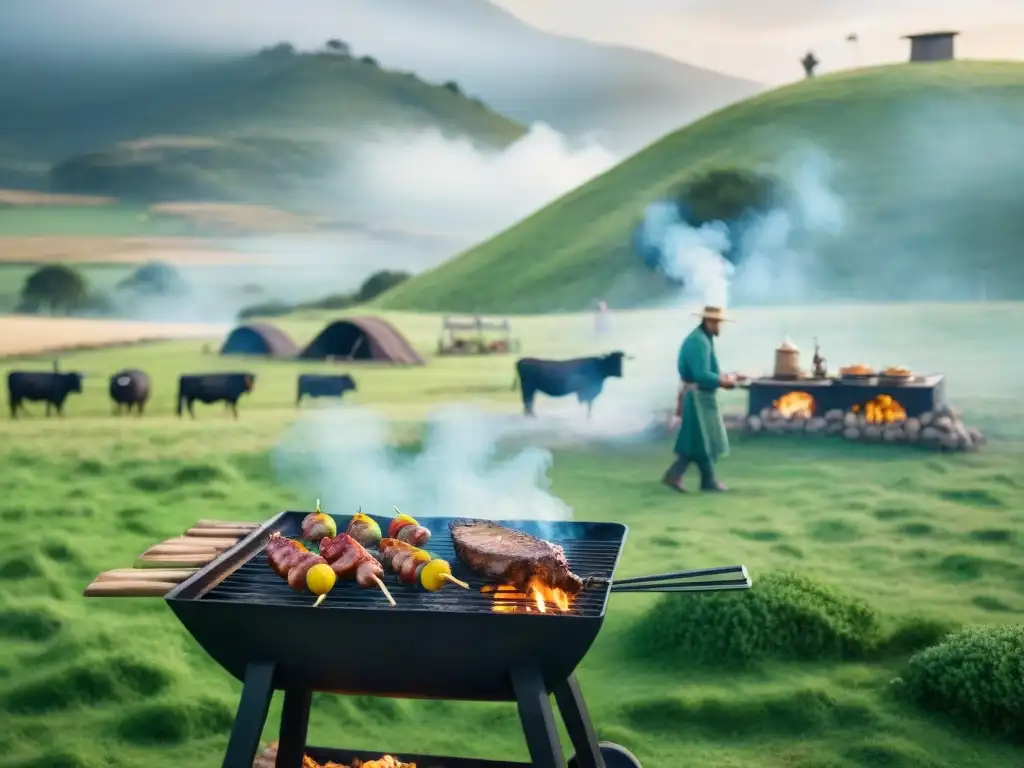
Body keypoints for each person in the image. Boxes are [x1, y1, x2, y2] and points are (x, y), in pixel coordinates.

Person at [662, 305, 736, 493]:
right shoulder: (698, 342)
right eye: (718, 323)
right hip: (696, 398)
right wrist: (723, 381)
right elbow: (701, 374)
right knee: (702, 440)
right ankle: (705, 481)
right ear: (709, 322)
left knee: (701, 440)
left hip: (701, 398)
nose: (720, 326)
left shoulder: (704, 339)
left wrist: (725, 377)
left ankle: (690, 478)